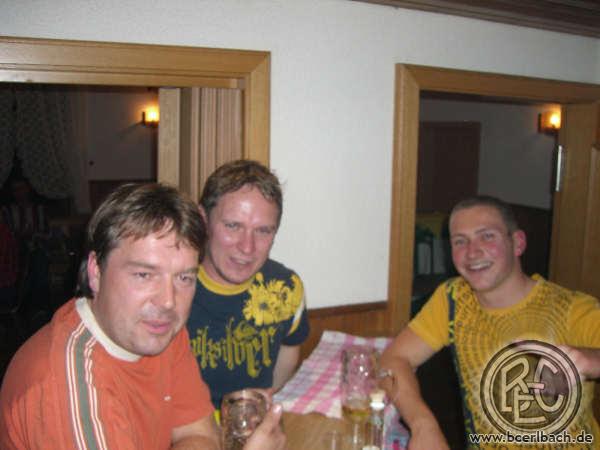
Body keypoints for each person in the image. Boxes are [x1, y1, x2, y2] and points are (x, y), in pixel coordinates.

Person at [0, 183, 286, 450]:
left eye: (184, 278)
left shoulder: (158, 331)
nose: (168, 301)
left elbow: (197, 434)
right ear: (95, 272)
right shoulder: (66, 391)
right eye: (144, 275)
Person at [380, 195, 600, 449]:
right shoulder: (453, 298)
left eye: (487, 236)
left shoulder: (571, 308)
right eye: (460, 241)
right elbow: (392, 360)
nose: (472, 252)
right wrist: (422, 425)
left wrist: (589, 361)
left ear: (517, 243)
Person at [187, 159, 310, 408]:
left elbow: (288, 353)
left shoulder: (285, 288)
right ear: (203, 219)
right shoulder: (173, 287)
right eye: (233, 226)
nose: (247, 247)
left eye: (263, 231)